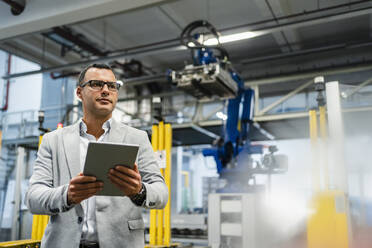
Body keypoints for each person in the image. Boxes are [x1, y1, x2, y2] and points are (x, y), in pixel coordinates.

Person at [25, 63, 168, 248]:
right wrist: (67, 195)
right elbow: (33, 198)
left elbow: (161, 193)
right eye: (96, 84)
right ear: (79, 93)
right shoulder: (53, 140)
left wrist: (139, 190)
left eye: (112, 86)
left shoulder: (137, 138)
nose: (106, 90)